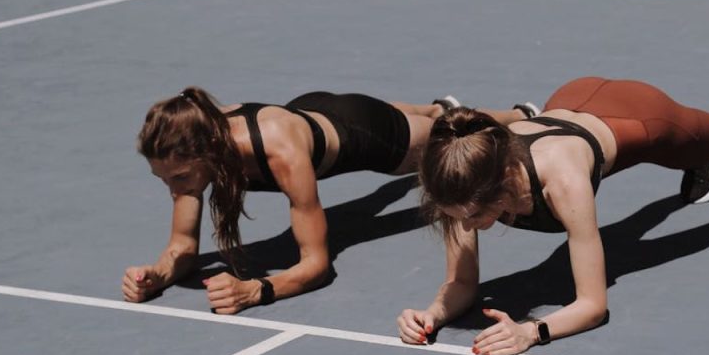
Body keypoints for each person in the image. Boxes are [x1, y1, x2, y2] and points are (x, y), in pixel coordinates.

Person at [397, 76, 709, 355]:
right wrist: (431, 314)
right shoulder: (457, 182)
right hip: (570, 99)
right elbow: (463, 283)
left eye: (472, 217)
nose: (464, 227)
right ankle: (691, 163)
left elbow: (593, 305)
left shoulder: (562, 182)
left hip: (637, 115)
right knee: (661, 196)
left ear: (502, 186)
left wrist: (531, 331)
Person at [124, 87, 535, 314]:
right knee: (411, 115)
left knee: (445, 136)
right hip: (312, 109)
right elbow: (181, 247)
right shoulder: (192, 157)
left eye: (178, 177)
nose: (175, 187)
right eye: (163, 179)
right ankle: (434, 104)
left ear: (210, 150)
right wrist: (158, 274)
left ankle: (518, 116)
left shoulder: (278, 151)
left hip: (363, 134)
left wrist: (256, 290)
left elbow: (316, 265)